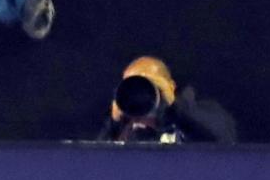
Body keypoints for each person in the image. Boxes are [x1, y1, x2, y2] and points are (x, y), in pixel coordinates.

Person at [98, 56, 237, 143]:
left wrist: (174, 111)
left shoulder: (204, 114)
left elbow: (220, 150)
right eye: (134, 86)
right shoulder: (126, 129)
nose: (141, 94)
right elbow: (95, 166)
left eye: (151, 86)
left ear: (170, 87)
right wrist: (113, 125)